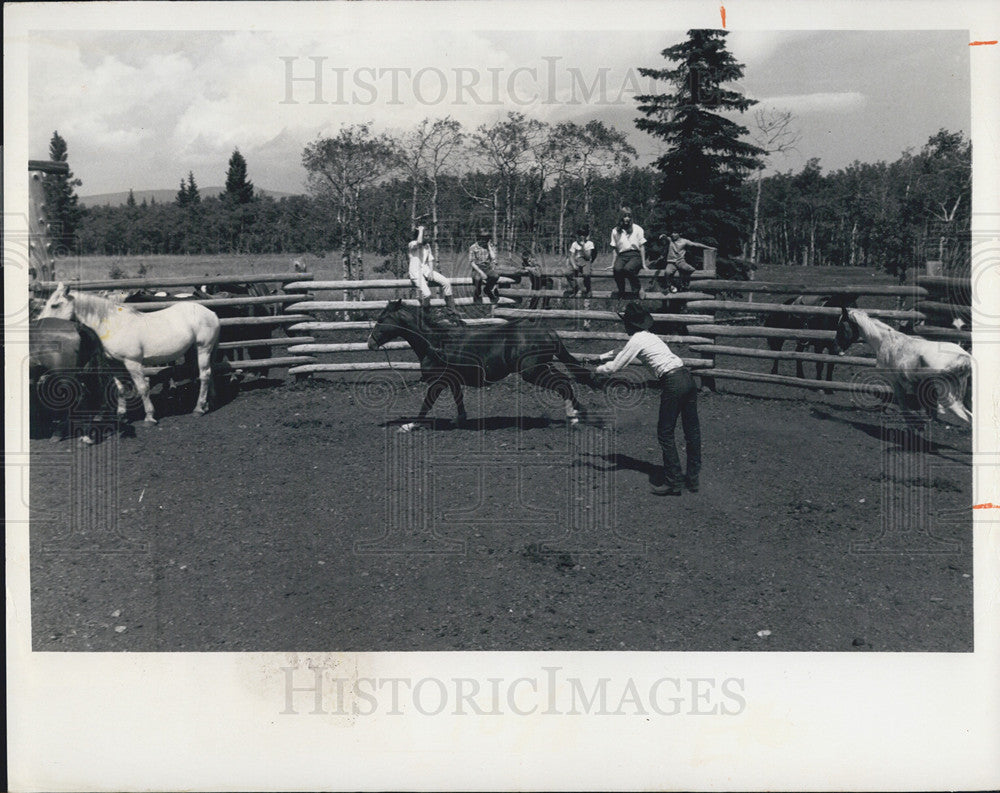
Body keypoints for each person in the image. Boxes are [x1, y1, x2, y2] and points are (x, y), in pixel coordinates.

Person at [594, 302, 701, 496]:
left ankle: (674, 481)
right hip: (687, 378)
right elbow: (622, 351)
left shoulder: (636, 340)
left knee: (665, 432)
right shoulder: (649, 337)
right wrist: (600, 357)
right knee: (691, 429)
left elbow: (615, 366)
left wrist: (598, 370)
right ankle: (692, 479)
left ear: (630, 325)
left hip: (673, 382)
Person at [408, 225, 462, 324]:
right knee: (427, 294)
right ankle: (425, 314)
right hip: (415, 272)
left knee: (446, 282)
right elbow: (419, 242)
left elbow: (430, 260)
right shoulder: (412, 244)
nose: (428, 237)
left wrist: (431, 272)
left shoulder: (427, 246)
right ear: (420, 235)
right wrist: (421, 229)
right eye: (426, 235)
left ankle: (452, 311)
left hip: (426, 270)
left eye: (429, 235)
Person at [609, 207, 646, 299]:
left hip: (635, 255)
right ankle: (621, 291)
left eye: (629, 216)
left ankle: (638, 288)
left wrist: (644, 264)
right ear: (621, 217)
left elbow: (642, 247)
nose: (627, 219)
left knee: (628, 269)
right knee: (617, 269)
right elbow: (615, 249)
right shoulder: (615, 231)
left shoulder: (637, 229)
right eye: (625, 216)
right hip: (622, 255)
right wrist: (612, 264)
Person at [469, 227, 501, 303]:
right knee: (478, 279)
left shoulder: (489, 246)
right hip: (477, 268)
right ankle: (477, 292)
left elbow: (493, 257)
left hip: (487, 267)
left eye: (486, 238)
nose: (484, 240)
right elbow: (472, 262)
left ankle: (487, 289)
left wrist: (489, 247)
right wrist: (481, 272)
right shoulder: (473, 247)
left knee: (495, 276)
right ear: (478, 238)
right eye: (483, 238)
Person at [564, 226, 596, 297]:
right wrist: (574, 265)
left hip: (586, 261)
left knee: (586, 274)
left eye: (583, 235)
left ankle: (588, 289)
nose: (582, 237)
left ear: (586, 236)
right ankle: (575, 287)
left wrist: (583, 246)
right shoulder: (574, 244)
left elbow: (588, 256)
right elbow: (571, 256)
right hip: (576, 261)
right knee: (567, 273)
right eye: (580, 235)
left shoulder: (589, 243)